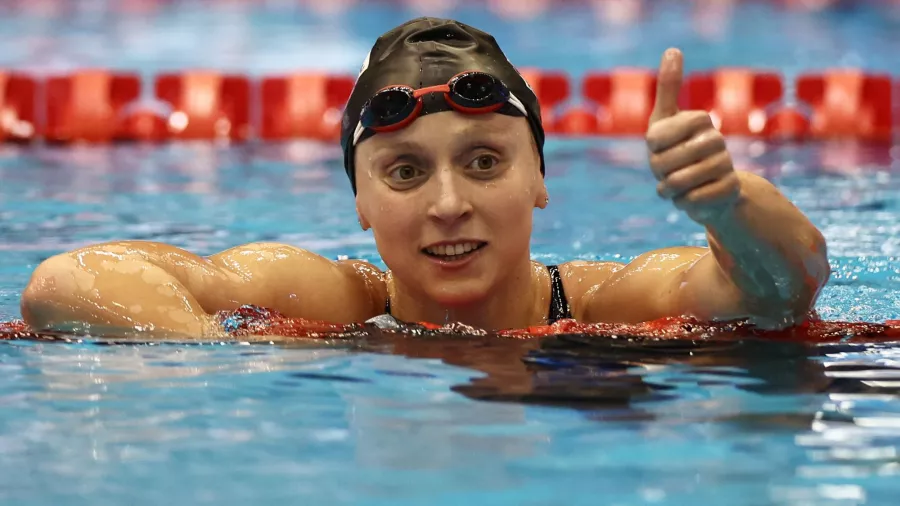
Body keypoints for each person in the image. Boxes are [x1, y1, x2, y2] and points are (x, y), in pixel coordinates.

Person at [18, 17, 830, 337]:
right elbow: (68, 280)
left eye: (484, 162)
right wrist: (227, 353)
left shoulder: (605, 303)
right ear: (361, 204)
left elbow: (777, 294)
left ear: (539, 180)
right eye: (405, 172)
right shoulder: (329, 301)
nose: (448, 205)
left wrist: (731, 206)